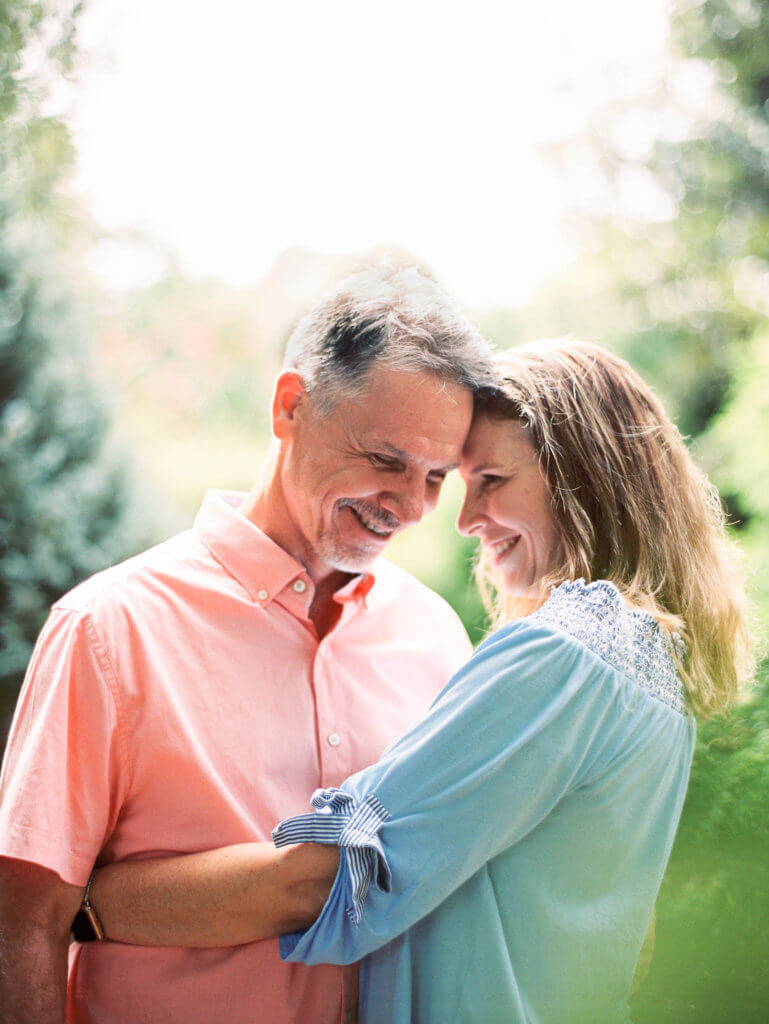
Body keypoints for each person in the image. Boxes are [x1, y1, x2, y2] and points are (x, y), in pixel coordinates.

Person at [82, 340, 753, 1024]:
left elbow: (325, 879)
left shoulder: (563, 653)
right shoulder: (643, 659)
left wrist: (83, 906)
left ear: (582, 477)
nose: (465, 519)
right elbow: (631, 941)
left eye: (490, 480)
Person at [0, 263, 496, 1024]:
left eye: (435, 477)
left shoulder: (435, 636)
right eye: (385, 460)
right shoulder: (108, 630)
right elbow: (22, 923)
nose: (409, 504)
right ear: (290, 406)